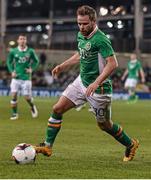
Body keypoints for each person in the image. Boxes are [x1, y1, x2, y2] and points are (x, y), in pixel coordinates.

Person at [34, 5, 139, 162]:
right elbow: (80, 54)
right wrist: (62, 66)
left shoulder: (101, 39)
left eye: (84, 24)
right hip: (81, 82)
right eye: (79, 23)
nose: (81, 27)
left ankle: (131, 144)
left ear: (94, 21)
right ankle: (48, 146)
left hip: (99, 90)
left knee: (105, 125)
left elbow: (113, 63)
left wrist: (96, 83)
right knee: (57, 109)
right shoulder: (81, 35)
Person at [7, 34, 39, 120]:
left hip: (26, 77)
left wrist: (31, 69)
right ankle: (14, 114)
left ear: (26, 41)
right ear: (18, 41)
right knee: (13, 95)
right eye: (21, 39)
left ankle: (32, 106)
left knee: (27, 97)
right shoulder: (13, 51)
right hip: (16, 77)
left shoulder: (30, 51)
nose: (22, 40)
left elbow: (36, 61)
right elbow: (9, 62)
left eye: (24, 39)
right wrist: (11, 71)